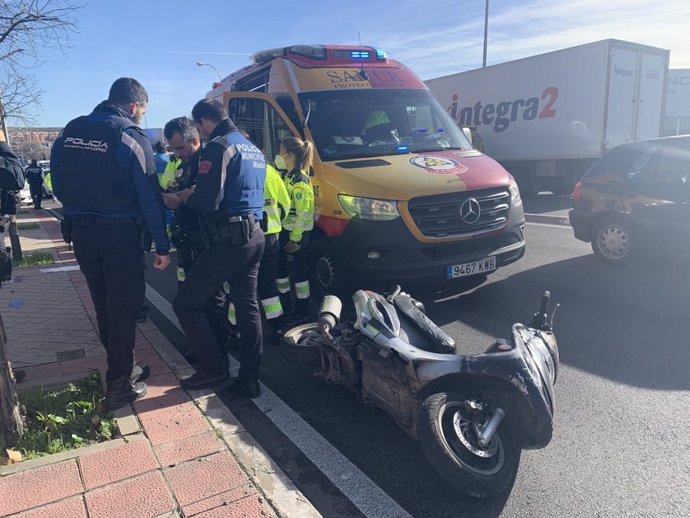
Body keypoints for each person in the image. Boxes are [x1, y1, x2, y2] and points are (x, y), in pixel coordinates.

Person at [50, 77, 171, 411]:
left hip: (82, 233)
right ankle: (119, 386)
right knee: (124, 309)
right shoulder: (129, 135)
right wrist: (162, 245)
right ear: (134, 106)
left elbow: (57, 184)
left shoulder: (69, 131)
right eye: (142, 113)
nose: (141, 119)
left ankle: (124, 369)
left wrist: (80, 209)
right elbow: (150, 197)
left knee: (104, 306)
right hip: (119, 235)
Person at [166, 99, 265, 397]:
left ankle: (214, 368)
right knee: (248, 308)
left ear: (203, 122)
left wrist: (184, 197)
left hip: (228, 240)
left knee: (186, 303)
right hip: (254, 235)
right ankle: (249, 379)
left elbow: (208, 203)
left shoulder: (219, 147)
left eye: (199, 127)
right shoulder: (252, 148)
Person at [163, 116, 228, 348]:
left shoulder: (207, 164)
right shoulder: (184, 166)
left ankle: (218, 349)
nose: (177, 153)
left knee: (210, 300)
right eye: (173, 149)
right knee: (189, 297)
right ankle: (202, 346)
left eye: (180, 147)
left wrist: (179, 203)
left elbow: (208, 206)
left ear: (195, 140)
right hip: (187, 240)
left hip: (206, 242)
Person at [226, 132, 290, 344]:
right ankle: (278, 327)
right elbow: (286, 202)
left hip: (246, 235)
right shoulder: (270, 170)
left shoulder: (235, 169)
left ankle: (235, 330)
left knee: (241, 286)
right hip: (272, 237)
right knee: (268, 285)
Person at [276, 136, 315, 325]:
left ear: (290, 155)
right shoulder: (287, 177)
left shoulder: (299, 180)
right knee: (282, 272)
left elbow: (302, 213)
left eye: (281, 151)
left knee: (300, 274)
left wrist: (295, 239)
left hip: (296, 234)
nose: (278, 155)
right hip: (285, 232)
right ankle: (286, 306)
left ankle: (303, 309)